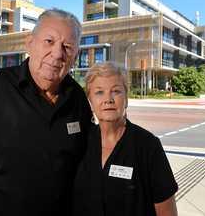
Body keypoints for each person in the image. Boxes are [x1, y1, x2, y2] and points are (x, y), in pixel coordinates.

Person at [0, 8, 92, 216]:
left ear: (76, 56)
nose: (57, 54)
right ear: (29, 43)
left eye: (67, 47)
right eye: (49, 41)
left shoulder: (78, 98)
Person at [73, 62, 178, 216]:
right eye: (99, 92)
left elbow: (166, 211)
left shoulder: (147, 145)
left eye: (116, 91)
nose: (108, 99)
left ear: (126, 99)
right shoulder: (80, 142)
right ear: (90, 102)